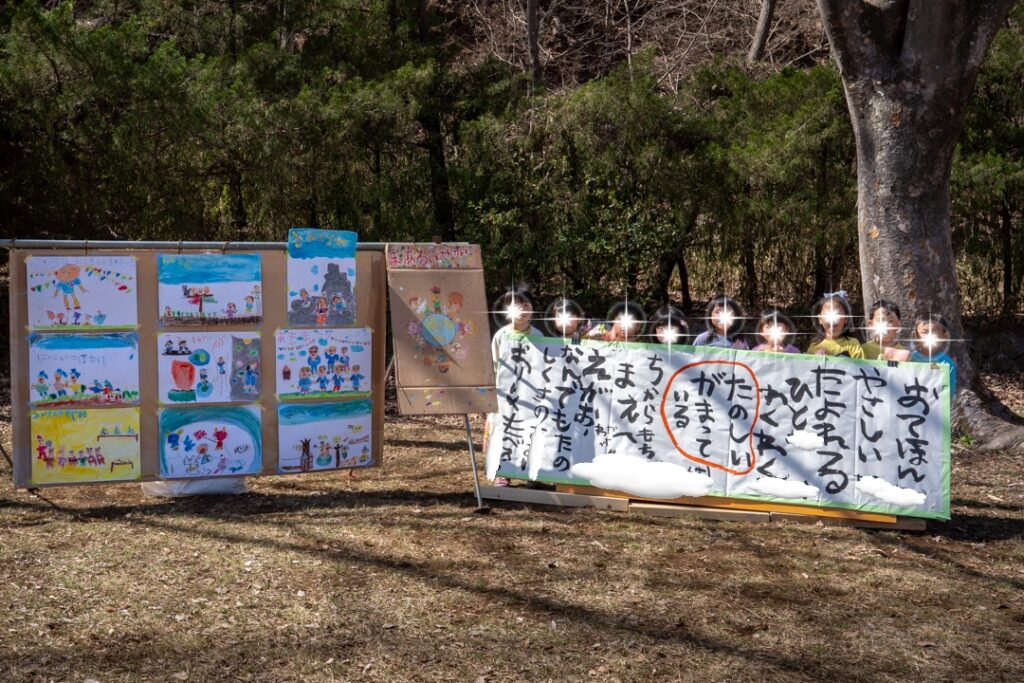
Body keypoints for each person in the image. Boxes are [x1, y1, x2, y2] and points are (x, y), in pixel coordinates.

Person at [488, 285, 542, 487]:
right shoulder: (501, 335)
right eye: (516, 305)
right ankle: (502, 472)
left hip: (530, 394)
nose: (522, 310)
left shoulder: (538, 335)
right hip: (504, 395)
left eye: (526, 305)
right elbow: (493, 365)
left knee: (530, 431)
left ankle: (531, 472)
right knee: (503, 430)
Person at [910, 313, 956, 396]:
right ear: (916, 335)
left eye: (935, 333)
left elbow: (948, 394)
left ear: (944, 336)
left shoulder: (947, 363)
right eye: (925, 332)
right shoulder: (908, 359)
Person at [806, 291, 864, 358]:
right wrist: (817, 360)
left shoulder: (854, 345)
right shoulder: (814, 347)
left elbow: (860, 364)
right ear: (820, 319)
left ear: (846, 319)